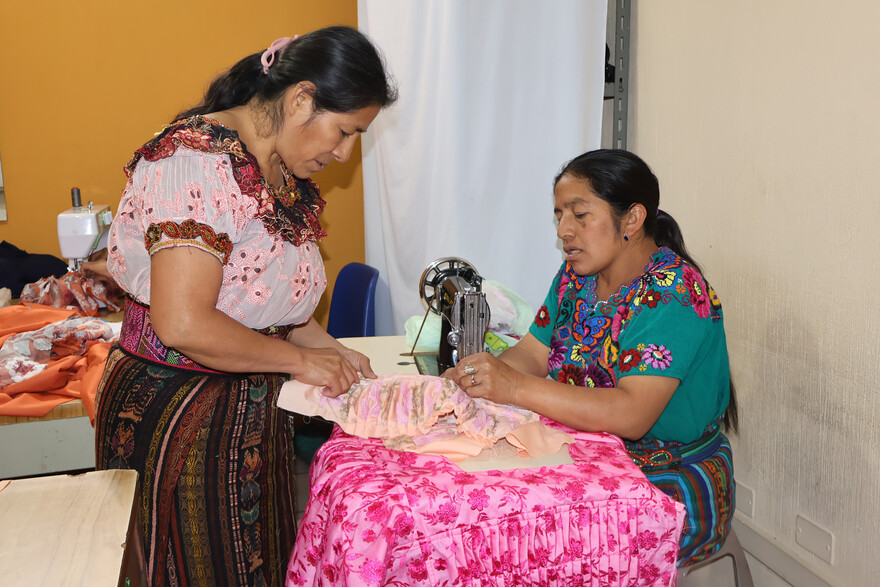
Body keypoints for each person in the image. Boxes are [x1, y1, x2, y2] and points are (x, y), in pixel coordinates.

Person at [94, 26, 397, 586]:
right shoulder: (194, 162)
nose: (344, 152)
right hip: (180, 413)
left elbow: (268, 303)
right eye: (344, 131)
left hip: (253, 413)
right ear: (301, 98)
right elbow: (183, 321)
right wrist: (305, 363)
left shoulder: (277, 168)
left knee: (257, 564)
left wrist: (336, 355)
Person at [446, 149, 738, 567]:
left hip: (665, 485)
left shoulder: (672, 295)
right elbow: (533, 352)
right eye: (559, 215)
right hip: (589, 462)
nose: (564, 231)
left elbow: (630, 414)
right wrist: (477, 377)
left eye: (580, 215)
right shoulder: (576, 278)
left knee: (523, 546)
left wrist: (513, 387)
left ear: (632, 220)